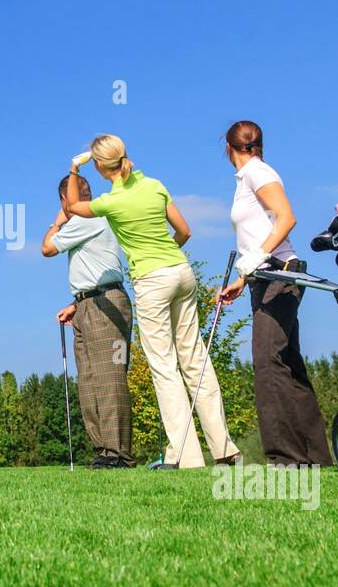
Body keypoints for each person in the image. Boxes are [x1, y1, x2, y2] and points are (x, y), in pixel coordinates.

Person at [63, 135, 238, 469]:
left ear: (100, 166)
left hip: (152, 281)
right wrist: (167, 257)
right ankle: (224, 449)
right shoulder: (155, 185)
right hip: (181, 272)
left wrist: (74, 167)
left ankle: (186, 457)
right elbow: (184, 231)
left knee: (164, 367)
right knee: (195, 358)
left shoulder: (110, 202)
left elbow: (73, 207)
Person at [217, 120, 333, 467]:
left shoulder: (258, 172)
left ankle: (285, 457)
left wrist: (253, 259)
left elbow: (286, 218)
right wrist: (242, 278)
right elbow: (261, 229)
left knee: (268, 363)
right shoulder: (248, 177)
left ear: (228, 147)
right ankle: (314, 456)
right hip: (265, 276)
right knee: (288, 363)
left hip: (278, 276)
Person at [42, 173, 134, 468]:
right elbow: (94, 267)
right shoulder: (89, 222)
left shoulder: (88, 219)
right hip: (88, 304)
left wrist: (57, 222)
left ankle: (118, 453)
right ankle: (104, 450)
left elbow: (48, 248)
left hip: (107, 305)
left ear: (65, 199)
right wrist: (75, 305)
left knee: (110, 378)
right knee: (89, 380)